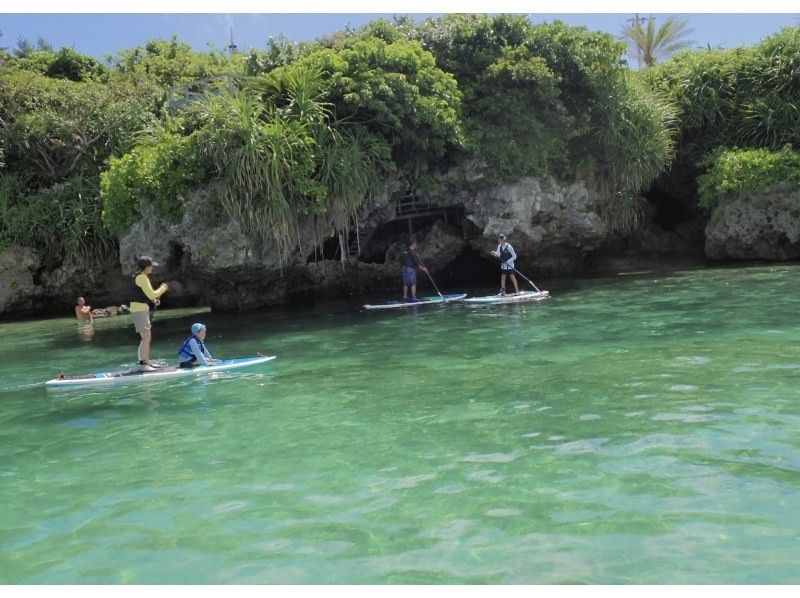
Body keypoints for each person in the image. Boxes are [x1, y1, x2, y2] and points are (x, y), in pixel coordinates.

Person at [129, 256, 168, 371]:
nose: (152, 268)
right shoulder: (142, 278)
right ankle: (144, 365)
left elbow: (143, 294)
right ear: (146, 267)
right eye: (151, 266)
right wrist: (163, 288)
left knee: (145, 338)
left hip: (139, 308)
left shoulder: (139, 276)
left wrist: (153, 301)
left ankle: (144, 362)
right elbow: (151, 294)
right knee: (147, 337)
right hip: (139, 309)